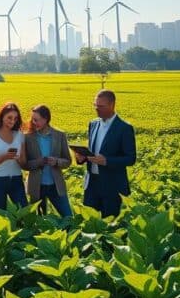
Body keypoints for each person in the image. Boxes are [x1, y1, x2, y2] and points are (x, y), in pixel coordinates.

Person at [73, 89, 136, 218]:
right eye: (95, 105)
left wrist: (107, 161)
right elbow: (92, 150)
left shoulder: (124, 128)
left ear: (112, 105)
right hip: (92, 184)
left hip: (112, 186)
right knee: (89, 222)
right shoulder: (93, 124)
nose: (97, 109)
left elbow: (130, 158)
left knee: (110, 225)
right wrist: (82, 158)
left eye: (101, 106)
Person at [23, 105, 73, 217]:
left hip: (56, 186)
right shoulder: (28, 137)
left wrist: (56, 161)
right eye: (32, 119)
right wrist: (38, 162)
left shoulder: (59, 135)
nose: (33, 122)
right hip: (36, 186)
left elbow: (68, 161)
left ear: (46, 119)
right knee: (39, 221)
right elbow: (24, 164)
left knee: (68, 217)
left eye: (36, 119)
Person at [0, 101, 27, 209]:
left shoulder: (20, 136)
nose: (12, 121)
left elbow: (24, 163)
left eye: (15, 118)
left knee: (24, 212)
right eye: (9, 117)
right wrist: (4, 157)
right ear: (2, 117)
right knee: (1, 216)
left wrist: (19, 159)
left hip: (16, 180)